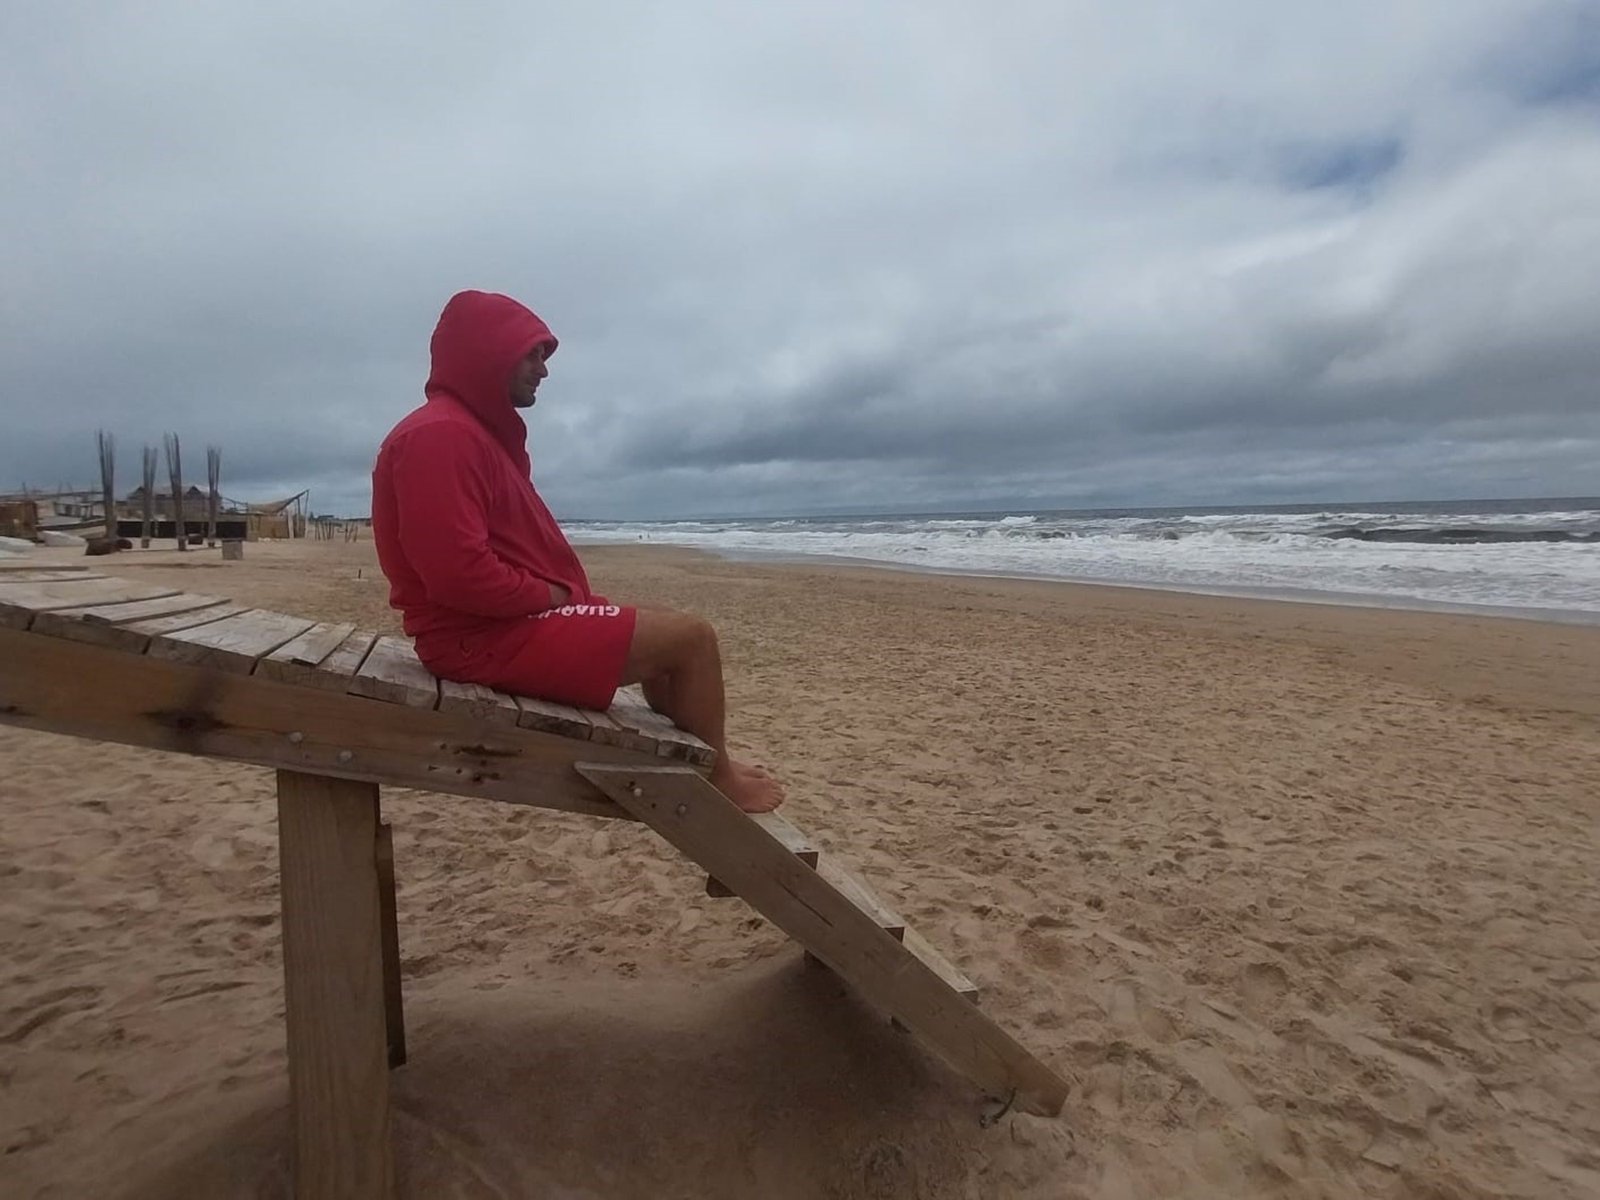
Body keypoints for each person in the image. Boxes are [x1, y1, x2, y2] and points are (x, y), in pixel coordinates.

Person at [371, 289, 784, 813]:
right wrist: (551, 594)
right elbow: (456, 576)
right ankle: (719, 777)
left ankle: (706, 756)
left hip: (494, 628)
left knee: (663, 623)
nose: (543, 370)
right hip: (478, 640)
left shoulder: (467, 434)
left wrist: (559, 596)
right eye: (531, 354)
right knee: (692, 641)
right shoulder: (441, 437)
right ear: (485, 352)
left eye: (544, 356)